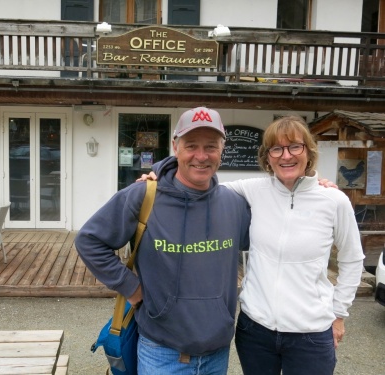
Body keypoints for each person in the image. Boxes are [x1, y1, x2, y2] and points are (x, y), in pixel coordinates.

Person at [142, 115, 365, 375]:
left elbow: (352, 260)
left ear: (308, 151)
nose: (286, 156)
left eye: (295, 146)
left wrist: (338, 314)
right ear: (267, 156)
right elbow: (197, 180)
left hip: (311, 334)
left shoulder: (334, 201)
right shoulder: (253, 190)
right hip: (256, 331)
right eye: (276, 149)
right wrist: (158, 172)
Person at [75, 107, 251, 375]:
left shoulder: (234, 203)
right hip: (161, 352)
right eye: (191, 145)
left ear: (222, 150)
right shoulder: (143, 196)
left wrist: (311, 188)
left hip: (217, 352)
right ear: (175, 146)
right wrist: (130, 288)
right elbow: (89, 241)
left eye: (211, 147)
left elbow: (274, 235)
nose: (201, 156)